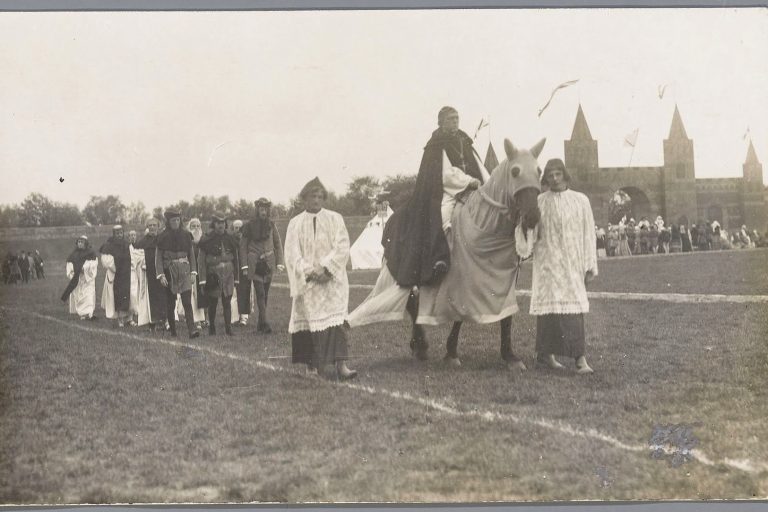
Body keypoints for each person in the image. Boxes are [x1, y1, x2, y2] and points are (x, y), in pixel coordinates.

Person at [383, 106, 488, 288]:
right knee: (443, 217)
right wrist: (468, 181)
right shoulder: (436, 144)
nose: (455, 122)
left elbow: (478, 164)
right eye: (450, 119)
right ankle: (440, 257)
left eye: (457, 118)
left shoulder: (464, 139)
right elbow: (445, 174)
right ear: (440, 122)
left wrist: (487, 181)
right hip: (447, 191)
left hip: (473, 188)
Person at [285, 177, 357, 380]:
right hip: (308, 282)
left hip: (331, 281)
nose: (316, 200)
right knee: (308, 324)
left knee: (336, 321)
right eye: (312, 196)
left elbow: (342, 247)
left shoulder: (335, 218)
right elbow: (292, 253)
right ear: (304, 198)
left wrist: (326, 269)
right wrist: (309, 271)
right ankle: (312, 366)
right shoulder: (295, 223)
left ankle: (341, 365)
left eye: (319, 196)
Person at [530, 159, 597, 374]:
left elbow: (589, 233)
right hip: (547, 262)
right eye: (550, 175)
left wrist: (589, 265)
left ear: (565, 175)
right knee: (548, 310)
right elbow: (530, 232)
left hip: (572, 262)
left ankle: (580, 359)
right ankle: (545, 356)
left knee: (573, 310)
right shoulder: (539, 201)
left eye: (558, 174)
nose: (554, 178)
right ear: (545, 179)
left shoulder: (580, 201)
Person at [240, 197, 285, 333]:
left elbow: (277, 244)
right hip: (255, 263)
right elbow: (243, 246)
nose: (263, 212)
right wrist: (245, 266)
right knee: (260, 292)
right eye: (261, 209)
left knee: (265, 293)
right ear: (257, 210)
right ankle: (265, 323)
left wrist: (280, 262)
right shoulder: (248, 226)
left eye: (265, 209)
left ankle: (260, 322)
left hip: (269, 263)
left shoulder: (272, 225)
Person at [155, 210, 200, 338]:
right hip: (170, 270)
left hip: (184, 270)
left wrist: (193, 271)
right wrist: (161, 275)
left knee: (187, 301)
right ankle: (173, 331)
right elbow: (158, 258)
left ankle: (192, 330)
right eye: (173, 220)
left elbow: (191, 254)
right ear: (168, 222)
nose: (175, 222)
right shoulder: (162, 237)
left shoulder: (186, 235)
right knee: (171, 302)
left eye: (177, 220)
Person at [198, 214, 240, 336]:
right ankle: (212, 327)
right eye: (218, 222)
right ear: (214, 224)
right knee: (213, 302)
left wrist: (236, 277)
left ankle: (228, 329)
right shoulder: (206, 239)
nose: (220, 225)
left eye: (223, 222)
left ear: (225, 224)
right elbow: (201, 261)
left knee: (227, 301)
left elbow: (236, 259)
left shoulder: (231, 238)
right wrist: (203, 279)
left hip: (228, 274)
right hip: (213, 274)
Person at [134, 217, 167, 331]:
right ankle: (152, 321)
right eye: (150, 225)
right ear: (147, 227)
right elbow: (137, 257)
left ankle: (165, 320)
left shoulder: (163, 239)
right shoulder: (142, 241)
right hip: (148, 273)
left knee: (163, 296)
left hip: (162, 272)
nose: (152, 227)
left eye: (154, 225)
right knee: (150, 298)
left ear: (158, 227)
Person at [100, 225, 132, 327]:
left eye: (121, 233)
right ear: (114, 234)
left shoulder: (127, 244)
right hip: (115, 274)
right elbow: (106, 261)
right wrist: (116, 269)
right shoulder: (109, 245)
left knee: (127, 295)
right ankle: (119, 319)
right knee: (117, 296)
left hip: (126, 274)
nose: (119, 235)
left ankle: (128, 318)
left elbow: (132, 257)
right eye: (117, 233)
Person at [61, 235, 99, 320]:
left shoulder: (91, 253)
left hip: (87, 279)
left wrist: (84, 269)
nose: (80, 244)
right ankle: (83, 314)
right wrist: (75, 273)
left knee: (89, 295)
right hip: (78, 280)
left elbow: (93, 264)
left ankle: (89, 314)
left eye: (82, 242)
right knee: (80, 296)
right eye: (79, 242)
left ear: (86, 243)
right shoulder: (73, 255)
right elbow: (69, 267)